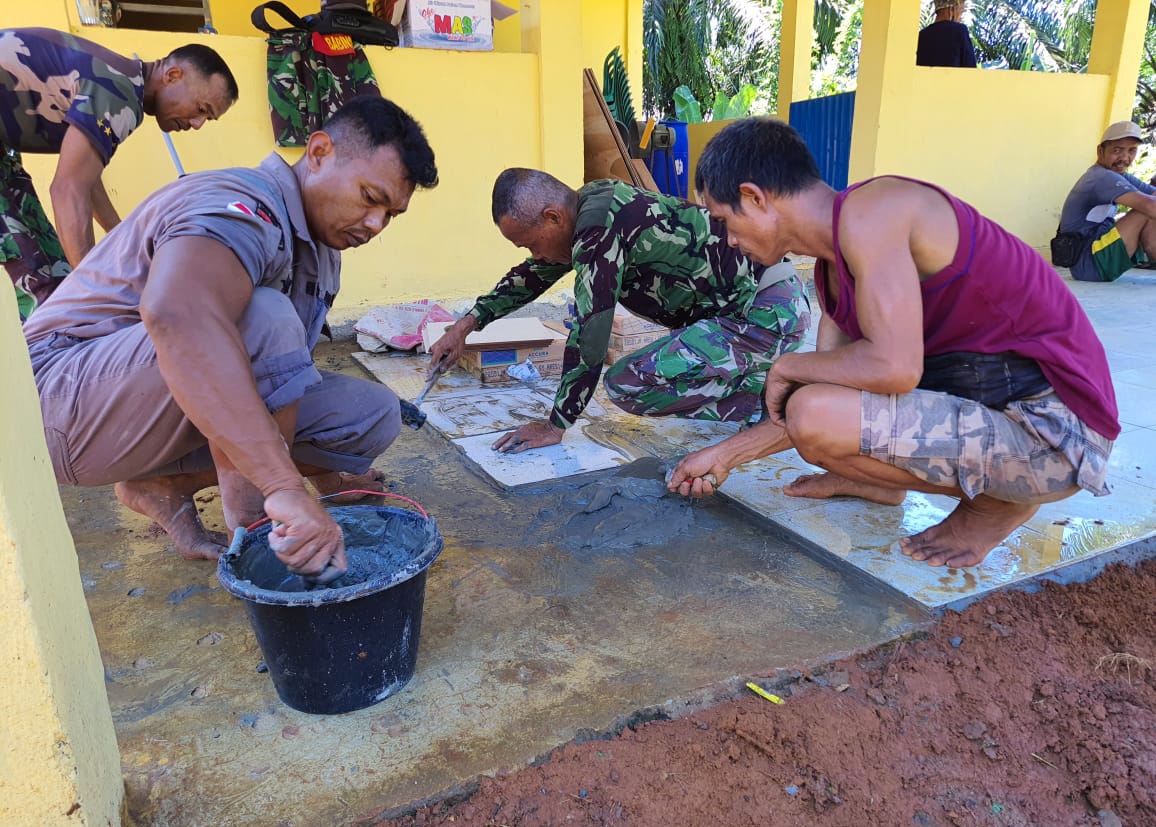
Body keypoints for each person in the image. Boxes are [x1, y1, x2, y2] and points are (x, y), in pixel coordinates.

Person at [668, 117, 1118, 569]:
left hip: (1057, 438)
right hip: (1007, 419)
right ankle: (882, 483)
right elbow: (829, 403)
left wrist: (786, 366)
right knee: (816, 408)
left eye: (725, 221)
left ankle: (996, 505)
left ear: (754, 197)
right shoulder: (835, 269)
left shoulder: (876, 211)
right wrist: (724, 457)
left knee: (811, 406)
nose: (728, 240)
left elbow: (895, 367)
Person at [23, 96, 438, 577]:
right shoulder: (240, 203)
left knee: (372, 414)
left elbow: (279, 385)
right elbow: (179, 316)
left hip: (140, 402)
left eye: (391, 215)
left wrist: (331, 481)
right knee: (262, 314)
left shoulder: (323, 247)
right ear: (320, 152)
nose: (375, 225)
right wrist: (284, 488)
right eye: (371, 198)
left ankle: (161, 486)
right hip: (55, 405)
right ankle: (255, 532)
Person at [428, 169, 811, 453]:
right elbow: (533, 276)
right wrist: (465, 326)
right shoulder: (588, 209)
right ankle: (767, 387)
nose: (536, 255)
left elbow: (591, 333)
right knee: (658, 367)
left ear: (552, 217)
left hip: (765, 311)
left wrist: (556, 423)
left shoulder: (598, 227)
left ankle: (774, 406)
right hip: (739, 312)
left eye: (531, 244)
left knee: (627, 383)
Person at [1, 28, 239, 319]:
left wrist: (120, 242)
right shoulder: (120, 92)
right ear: (173, 75)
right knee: (41, 292)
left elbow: (86, 179)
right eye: (201, 108)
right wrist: (93, 291)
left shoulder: (121, 81)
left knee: (54, 276)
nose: (199, 124)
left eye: (207, 118)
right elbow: (67, 189)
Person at [1057, 120, 1156, 282]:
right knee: (1146, 210)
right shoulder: (1101, 177)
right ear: (1100, 151)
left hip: (1094, 258)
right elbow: (1150, 206)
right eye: (1117, 150)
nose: (1125, 157)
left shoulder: (1118, 175)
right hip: (1089, 263)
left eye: (1132, 151)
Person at [916, 0, 977, 68]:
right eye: (960, 12)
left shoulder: (922, 35)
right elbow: (971, 69)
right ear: (951, 9)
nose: (960, 16)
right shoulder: (960, 31)